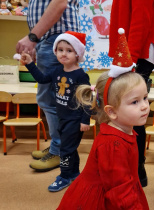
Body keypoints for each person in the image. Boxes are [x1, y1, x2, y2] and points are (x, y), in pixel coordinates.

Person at [57, 29, 150, 209]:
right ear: (112, 112)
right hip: (101, 197)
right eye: (135, 102)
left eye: (145, 98)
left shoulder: (124, 130)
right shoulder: (112, 145)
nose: (145, 105)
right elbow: (119, 192)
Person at [20, 31, 91, 192]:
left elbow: (87, 99)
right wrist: (31, 63)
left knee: (65, 150)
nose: (63, 53)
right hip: (62, 118)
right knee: (69, 148)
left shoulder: (81, 76)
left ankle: (64, 176)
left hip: (74, 120)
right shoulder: (56, 71)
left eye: (69, 50)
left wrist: (85, 120)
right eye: (60, 49)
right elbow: (42, 79)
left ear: (77, 54)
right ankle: (74, 173)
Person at [15, 0, 80, 172]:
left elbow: (59, 3)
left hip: (55, 37)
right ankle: (57, 147)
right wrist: (37, 41)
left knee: (52, 100)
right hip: (50, 37)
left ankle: (59, 150)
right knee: (50, 97)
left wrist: (33, 37)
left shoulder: (62, 52)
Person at [108, 0, 154, 188]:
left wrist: (129, 58)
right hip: (130, 52)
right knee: (130, 112)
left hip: (136, 53)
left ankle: (136, 170)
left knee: (132, 113)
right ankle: (133, 169)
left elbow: (141, 19)